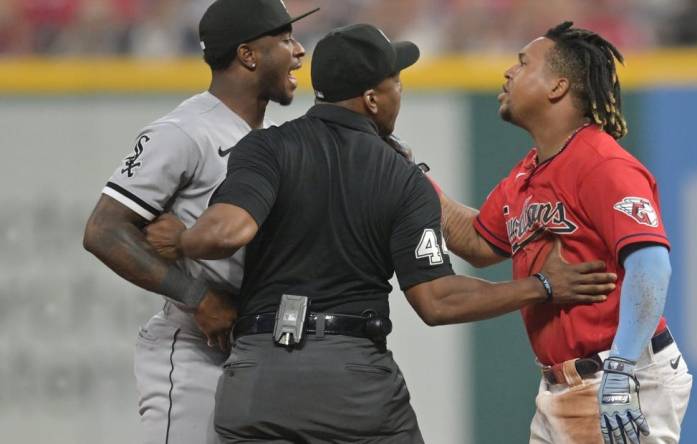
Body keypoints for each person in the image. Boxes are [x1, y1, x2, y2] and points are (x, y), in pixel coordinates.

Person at [143, 23, 619, 443]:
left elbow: (228, 230)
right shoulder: (400, 177)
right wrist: (542, 287)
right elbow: (437, 301)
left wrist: (181, 240)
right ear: (372, 99)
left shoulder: (265, 148)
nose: (398, 93)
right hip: (351, 383)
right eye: (395, 83)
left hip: (259, 377)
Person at [437, 21, 692, 444]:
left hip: (617, 374)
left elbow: (651, 264)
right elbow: (479, 243)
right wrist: (411, 177)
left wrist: (622, 368)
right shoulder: (527, 173)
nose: (509, 73)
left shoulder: (601, 162)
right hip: (563, 386)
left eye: (523, 63)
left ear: (558, 86)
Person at [81, 1, 317, 443]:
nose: (300, 51)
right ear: (248, 55)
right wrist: (199, 297)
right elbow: (104, 229)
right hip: (197, 348)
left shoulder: (272, 138)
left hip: (262, 346)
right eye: (285, 39)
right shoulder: (186, 131)